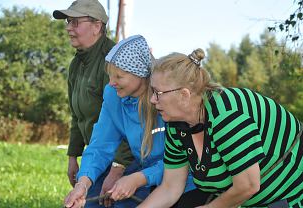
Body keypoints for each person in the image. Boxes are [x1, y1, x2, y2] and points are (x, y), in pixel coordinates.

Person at [138, 48, 303, 208]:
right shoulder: (176, 125)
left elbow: (248, 185)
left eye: (158, 93)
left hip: (291, 196)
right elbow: (169, 188)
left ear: (184, 95)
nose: (152, 100)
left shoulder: (227, 115)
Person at [63, 35, 197, 208]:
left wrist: (138, 179)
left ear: (140, 74)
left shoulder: (166, 99)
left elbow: (181, 160)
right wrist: (83, 184)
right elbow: (100, 145)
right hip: (156, 184)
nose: (111, 83)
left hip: (190, 184)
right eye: (110, 75)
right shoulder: (113, 95)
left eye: (119, 77)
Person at [52, 1, 133, 207]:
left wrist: (117, 169)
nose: (69, 27)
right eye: (68, 22)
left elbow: (130, 118)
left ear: (97, 26)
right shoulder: (76, 64)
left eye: (75, 22)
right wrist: (73, 156)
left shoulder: (114, 62)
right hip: (97, 158)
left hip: (125, 163)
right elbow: (77, 114)